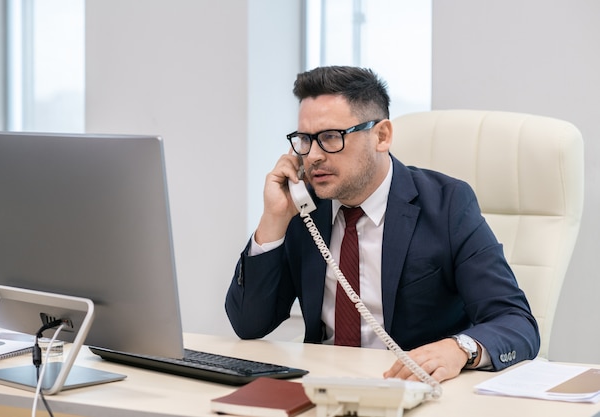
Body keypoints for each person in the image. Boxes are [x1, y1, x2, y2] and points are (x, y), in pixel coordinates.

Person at [225, 66, 539, 383]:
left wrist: (458, 349)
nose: (314, 156)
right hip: (320, 389)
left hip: (411, 389)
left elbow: (515, 322)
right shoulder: (304, 208)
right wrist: (274, 218)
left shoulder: (447, 204)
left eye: (331, 137)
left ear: (381, 136)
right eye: (305, 140)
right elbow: (248, 324)